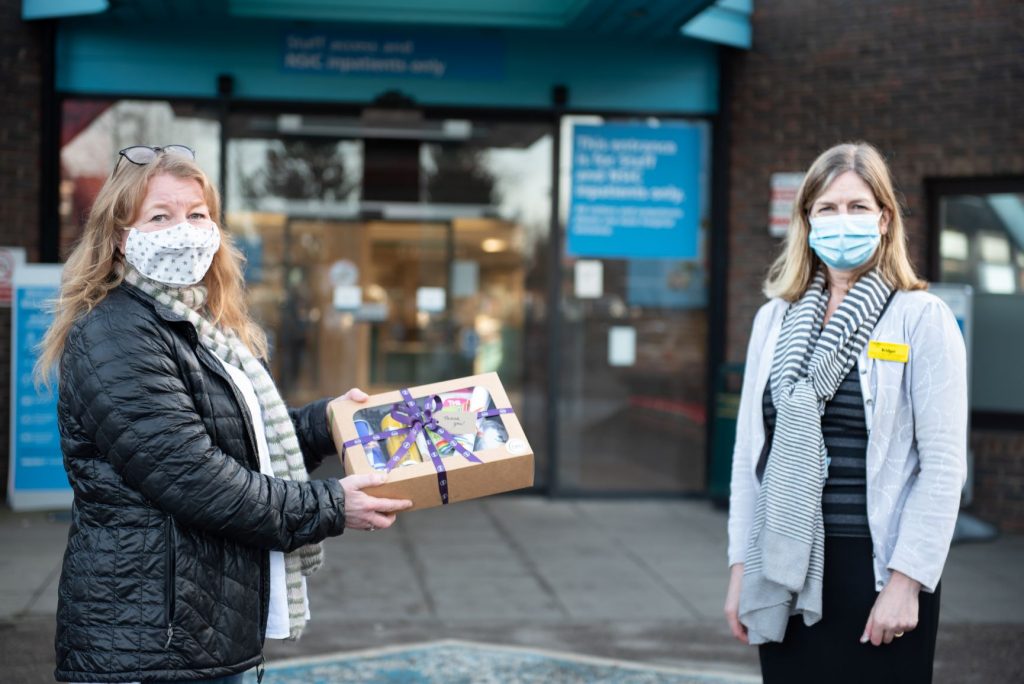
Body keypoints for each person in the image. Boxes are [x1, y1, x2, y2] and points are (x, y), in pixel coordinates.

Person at [38, 144, 413, 683]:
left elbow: (241, 442)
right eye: (160, 217)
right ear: (122, 237)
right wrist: (330, 505)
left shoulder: (197, 323)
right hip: (149, 642)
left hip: (198, 626)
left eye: (197, 214)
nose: (184, 230)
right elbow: (192, 476)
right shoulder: (116, 332)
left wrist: (327, 421)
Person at [723, 142, 967, 683]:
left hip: (875, 569)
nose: (842, 220)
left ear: (884, 219)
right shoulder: (774, 319)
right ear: (806, 220)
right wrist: (742, 569)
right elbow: (749, 457)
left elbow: (944, 466)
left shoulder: (921, 318)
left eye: (858, 207)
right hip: (783, 563)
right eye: (827, 208)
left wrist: (906, 581)